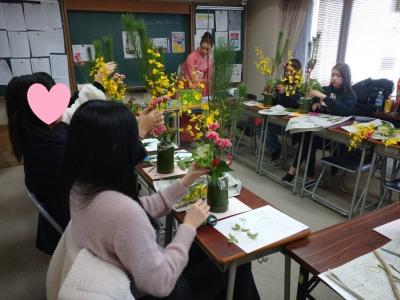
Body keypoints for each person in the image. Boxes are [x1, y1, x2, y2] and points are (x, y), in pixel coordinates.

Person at [61, 100, 260, 300]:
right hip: (159, 289)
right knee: (237, 259)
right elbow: (162, 283)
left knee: (210, 246)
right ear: (117, 148)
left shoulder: (81, 189)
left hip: (135, 271)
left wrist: (185, 181)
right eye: (133, 136)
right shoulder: (123, 213)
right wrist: (188, 226)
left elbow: (136, 209)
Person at [5, 67, 163, 255]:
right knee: (150, 214)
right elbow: (109, 176)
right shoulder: (49, 151)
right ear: (33, 111)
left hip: (78, 210)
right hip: (87, 223)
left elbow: (86, 141)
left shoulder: (42, 137)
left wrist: (124, 127)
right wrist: (137, 134)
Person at [282, 63, 357, 182]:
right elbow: (313, 102)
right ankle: (307, 175)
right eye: (333, 75)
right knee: (306, 135)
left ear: (345, 77)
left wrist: (324, 98)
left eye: (338, 76)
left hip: (335, 136)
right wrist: (315, 104)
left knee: (307, 137)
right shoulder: (327, 89)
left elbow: (344, 111)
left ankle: (296, 172)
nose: (334, 78)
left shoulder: (350, 94)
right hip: (319, 129)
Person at [267, 59, 302, 161]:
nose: (288, 73)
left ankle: (276, 150)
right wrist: (271, 92)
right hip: (278, 118)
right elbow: (276, 102)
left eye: (290, 71)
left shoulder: (300, 86)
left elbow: (295, 104)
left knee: (268, 130)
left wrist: (284, 92)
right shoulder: (282, 82)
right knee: (261, 128)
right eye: (286, 70)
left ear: (297, 72)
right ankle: (276, 148)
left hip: (291, 122)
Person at [180, 32, 214, 96]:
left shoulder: (210, 60)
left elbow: (208, 78)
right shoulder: (191, 57)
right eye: (202, 48)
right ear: (200, 45)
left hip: (202, 85)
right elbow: (191, 76)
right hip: (189, 83)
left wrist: (203, 80)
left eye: (207, 49)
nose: (204, 51)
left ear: (211, 48)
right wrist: (201, 80)